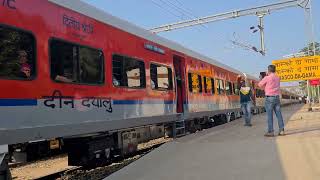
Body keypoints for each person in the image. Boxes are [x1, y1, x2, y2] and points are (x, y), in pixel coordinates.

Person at [258, 65, 285, 137]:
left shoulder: (267, 77)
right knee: (279, 115)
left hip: (269, 98)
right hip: (276, 97)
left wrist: (261, 78)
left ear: (269, 70)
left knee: (269, 115)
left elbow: (260, 85)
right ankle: (281, 130)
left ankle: (271, 131)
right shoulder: (278, 77)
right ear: (275, 70)